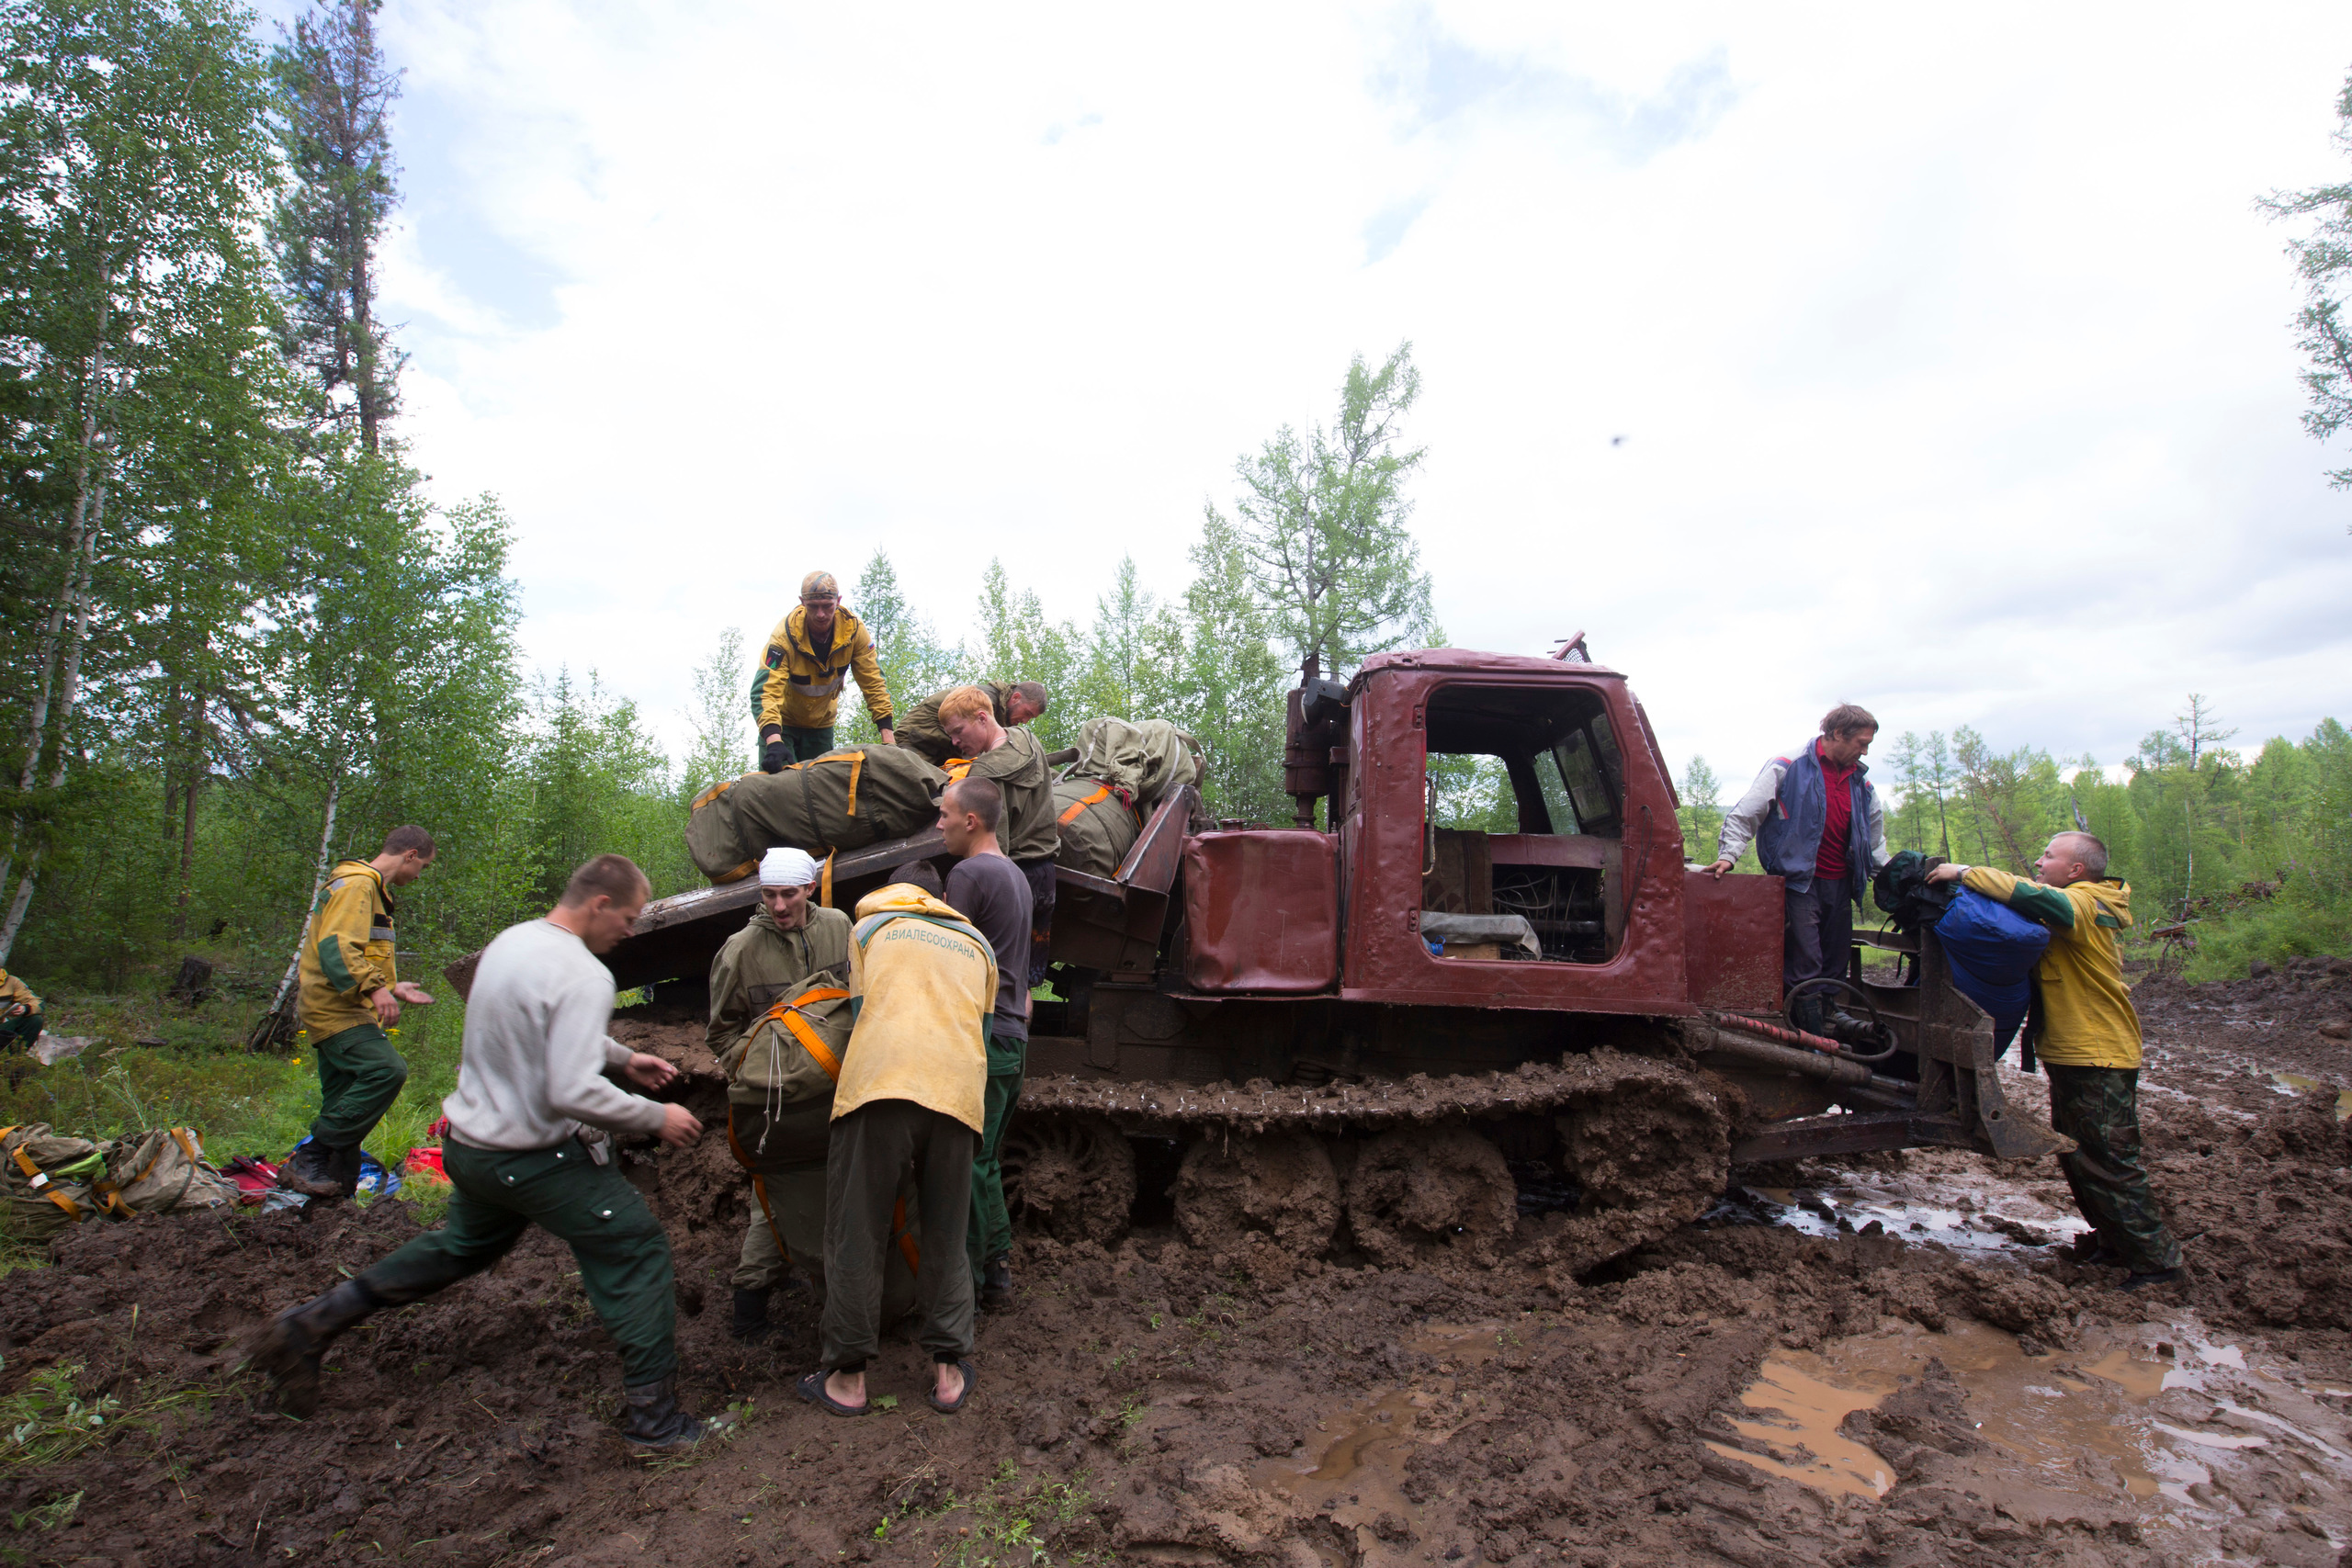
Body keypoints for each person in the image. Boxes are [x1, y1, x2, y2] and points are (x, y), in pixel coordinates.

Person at [253, 854, 722, 1449]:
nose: (630, 931)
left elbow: (540, 1023)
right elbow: (570, 1090)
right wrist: (658, 1114)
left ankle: (306, 1326)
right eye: (627, 918)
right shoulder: (584, 973)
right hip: (530, 1158)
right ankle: (656, 1422)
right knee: (635, 1243)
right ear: (600, 903)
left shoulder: (513, 942)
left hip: (470, 1147)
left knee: (458, 1248)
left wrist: (624, 1058)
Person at [1928, 834, 2185, 1289]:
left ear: (2077, 871)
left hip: (2098, 1053)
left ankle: (2160, 1267)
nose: (2039, 861)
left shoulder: (2083, 904)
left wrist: (1964, 872)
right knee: (2082, 1157)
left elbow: (2031, 894)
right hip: (2076, 1052)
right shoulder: (2076, 901)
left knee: (2109, 1159)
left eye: (2049, 855)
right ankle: (2116, 1244)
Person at [797, 871, 993, 1418]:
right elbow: (982, 1027)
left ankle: (848, 1379)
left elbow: (860, 1019)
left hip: (881, 1086)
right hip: (957, 1094)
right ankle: (949, 1375)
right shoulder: (978, 943)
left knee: (856, 1228)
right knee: (947, 1230)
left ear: (892, 892)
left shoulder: (867, 932)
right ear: (941, 900)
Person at [707, 844, 876, 1344]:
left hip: (840, 1091)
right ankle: (749, 1311)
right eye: (768, 895)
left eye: (788, 895)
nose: (778, 907)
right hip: (779, 1102)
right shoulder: (741, 950)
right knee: (775, 1200)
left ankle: (844, 1305)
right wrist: (764, 1067)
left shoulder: (839, 929)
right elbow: (721, 1036)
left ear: (809, 890)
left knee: (846, 1194)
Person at [277, 825, 438, 1199]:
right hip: (338, 1011)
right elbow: (336, 947)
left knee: (344, 1107)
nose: (419, 875)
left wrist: (392, 985)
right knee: (386, 1071)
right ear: (410, 854)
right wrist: (376, 988)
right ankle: (310, 1154)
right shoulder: (357, 885)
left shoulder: (366, 887)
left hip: (344, 1005)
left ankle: (333, 1200)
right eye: (424, 866)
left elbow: (354, 950)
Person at [1707, 705, 1888, 1030]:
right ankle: (1809, 1036)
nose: (1865, 750)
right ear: (1836, 734)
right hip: (1798, 882)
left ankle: (1829, 1018)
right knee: (1806, 959)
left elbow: (1874, 842)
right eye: (1861, 742)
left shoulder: (1862, 784)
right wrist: (1729, 854)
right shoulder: (1788, 766)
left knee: (1835, 960)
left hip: (1841, 883)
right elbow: (1747, 812)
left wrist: (1889, 878)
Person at [936, 777, 1035, 1313]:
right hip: (1013, 1038)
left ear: (970, 820)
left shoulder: (969, 874)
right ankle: (995, 1272)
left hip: (984, 1037)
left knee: (966, 1160)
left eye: (945, 815)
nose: (940, 824)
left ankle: (968, 1284)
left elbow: (951, 960)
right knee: (986, 1160)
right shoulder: (1016, 875)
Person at [938, 685, 1058, 987]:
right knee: (1022, 982)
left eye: (958, 731)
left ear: (982, 717)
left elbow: (991, 847)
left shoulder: (985, 774)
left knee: (996, 980)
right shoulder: (1026, 739)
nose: (955, 742)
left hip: (1011, 877)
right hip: (1044, 874)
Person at [753, 571, 895, 771]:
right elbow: (766, 690)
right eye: (813, 607)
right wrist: (774, 740)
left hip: (821, 725)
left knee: (819, 789)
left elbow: (873, 682)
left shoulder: (854, 632)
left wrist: (889, 741)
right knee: (777, 789)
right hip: (781, 724)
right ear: (802, 603)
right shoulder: (783, 637)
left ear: (838, 601)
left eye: (827, 606)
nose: (820, 614)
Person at [897, 681, 1049, 766]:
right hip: (916, 739)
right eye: (1027, 713)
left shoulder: (1001, 714)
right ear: (1015, 698)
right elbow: (977, 750)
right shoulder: (985, 701)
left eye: (1030, 718)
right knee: (919, 786)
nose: (1024, 721)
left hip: (939, 748)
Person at [0, 966, 41, 1052]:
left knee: (35, 1020)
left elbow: (37, 1002)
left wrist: (25, 1009)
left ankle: (15, 1058)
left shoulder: (11, 981)